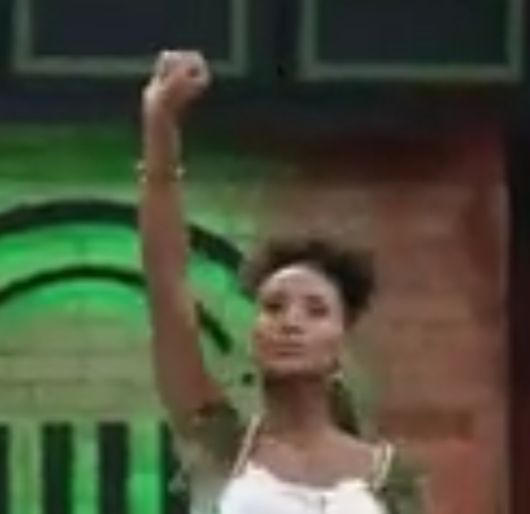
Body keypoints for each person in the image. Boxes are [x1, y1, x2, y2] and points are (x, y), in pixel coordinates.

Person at [138, 50, 424, 514]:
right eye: (273, 307)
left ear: (342, 338)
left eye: (315, 310)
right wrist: (160, 124)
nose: (291, 322)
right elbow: (167, 282)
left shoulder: (387, 474)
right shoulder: (221, 444)